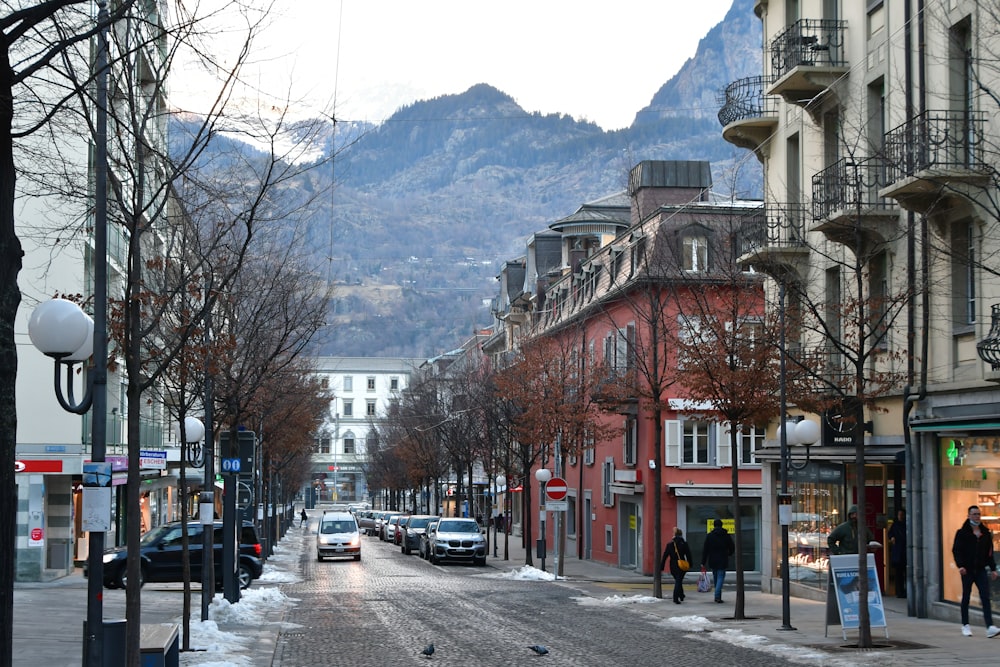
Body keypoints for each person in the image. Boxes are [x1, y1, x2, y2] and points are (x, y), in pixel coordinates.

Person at [951, 505, 1000, 638]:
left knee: (985, 596)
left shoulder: (985, 533)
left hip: (980, 570)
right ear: (968, 516)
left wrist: (994, 569)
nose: (977, 516)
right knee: (966, 596)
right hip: (967, 570)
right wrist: (960, 565)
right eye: (974, 514)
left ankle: (990, 626)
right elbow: (956, 550)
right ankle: (965, 625)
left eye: (978, 514)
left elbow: (989, 553)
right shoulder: (962, 533)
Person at [701, 518, 736, 603]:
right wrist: (729, 553)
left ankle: (717, 596)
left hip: (712, 559)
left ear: (714, 526)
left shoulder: (710, 536)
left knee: (716, 577)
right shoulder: (726, 535)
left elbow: (705, 550)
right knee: (720, 577)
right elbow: (732, 547)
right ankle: (717, 595)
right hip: (723, 558)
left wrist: (703, 562)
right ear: (721, 525)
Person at [660, 527, 692, 604]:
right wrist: (690, 564)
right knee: (679, 580)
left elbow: (665, 556)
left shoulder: (670, 544)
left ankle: (681, 595)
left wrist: (662, 566)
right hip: (681, 564)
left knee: (678, 580)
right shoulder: (684, 543)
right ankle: (676, 597)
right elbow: (688, 555)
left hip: (673, 565)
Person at [888, 508, 907, 598]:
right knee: (899, 574)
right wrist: (892, 537)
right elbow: (890, 534)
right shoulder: (895, 525)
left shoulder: (906, 525)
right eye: (899, 515)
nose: (900, 517)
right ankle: (899, 591)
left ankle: (905, 590)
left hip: (904, 551)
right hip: (898, 552)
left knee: (906, 573)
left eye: (902, 515)